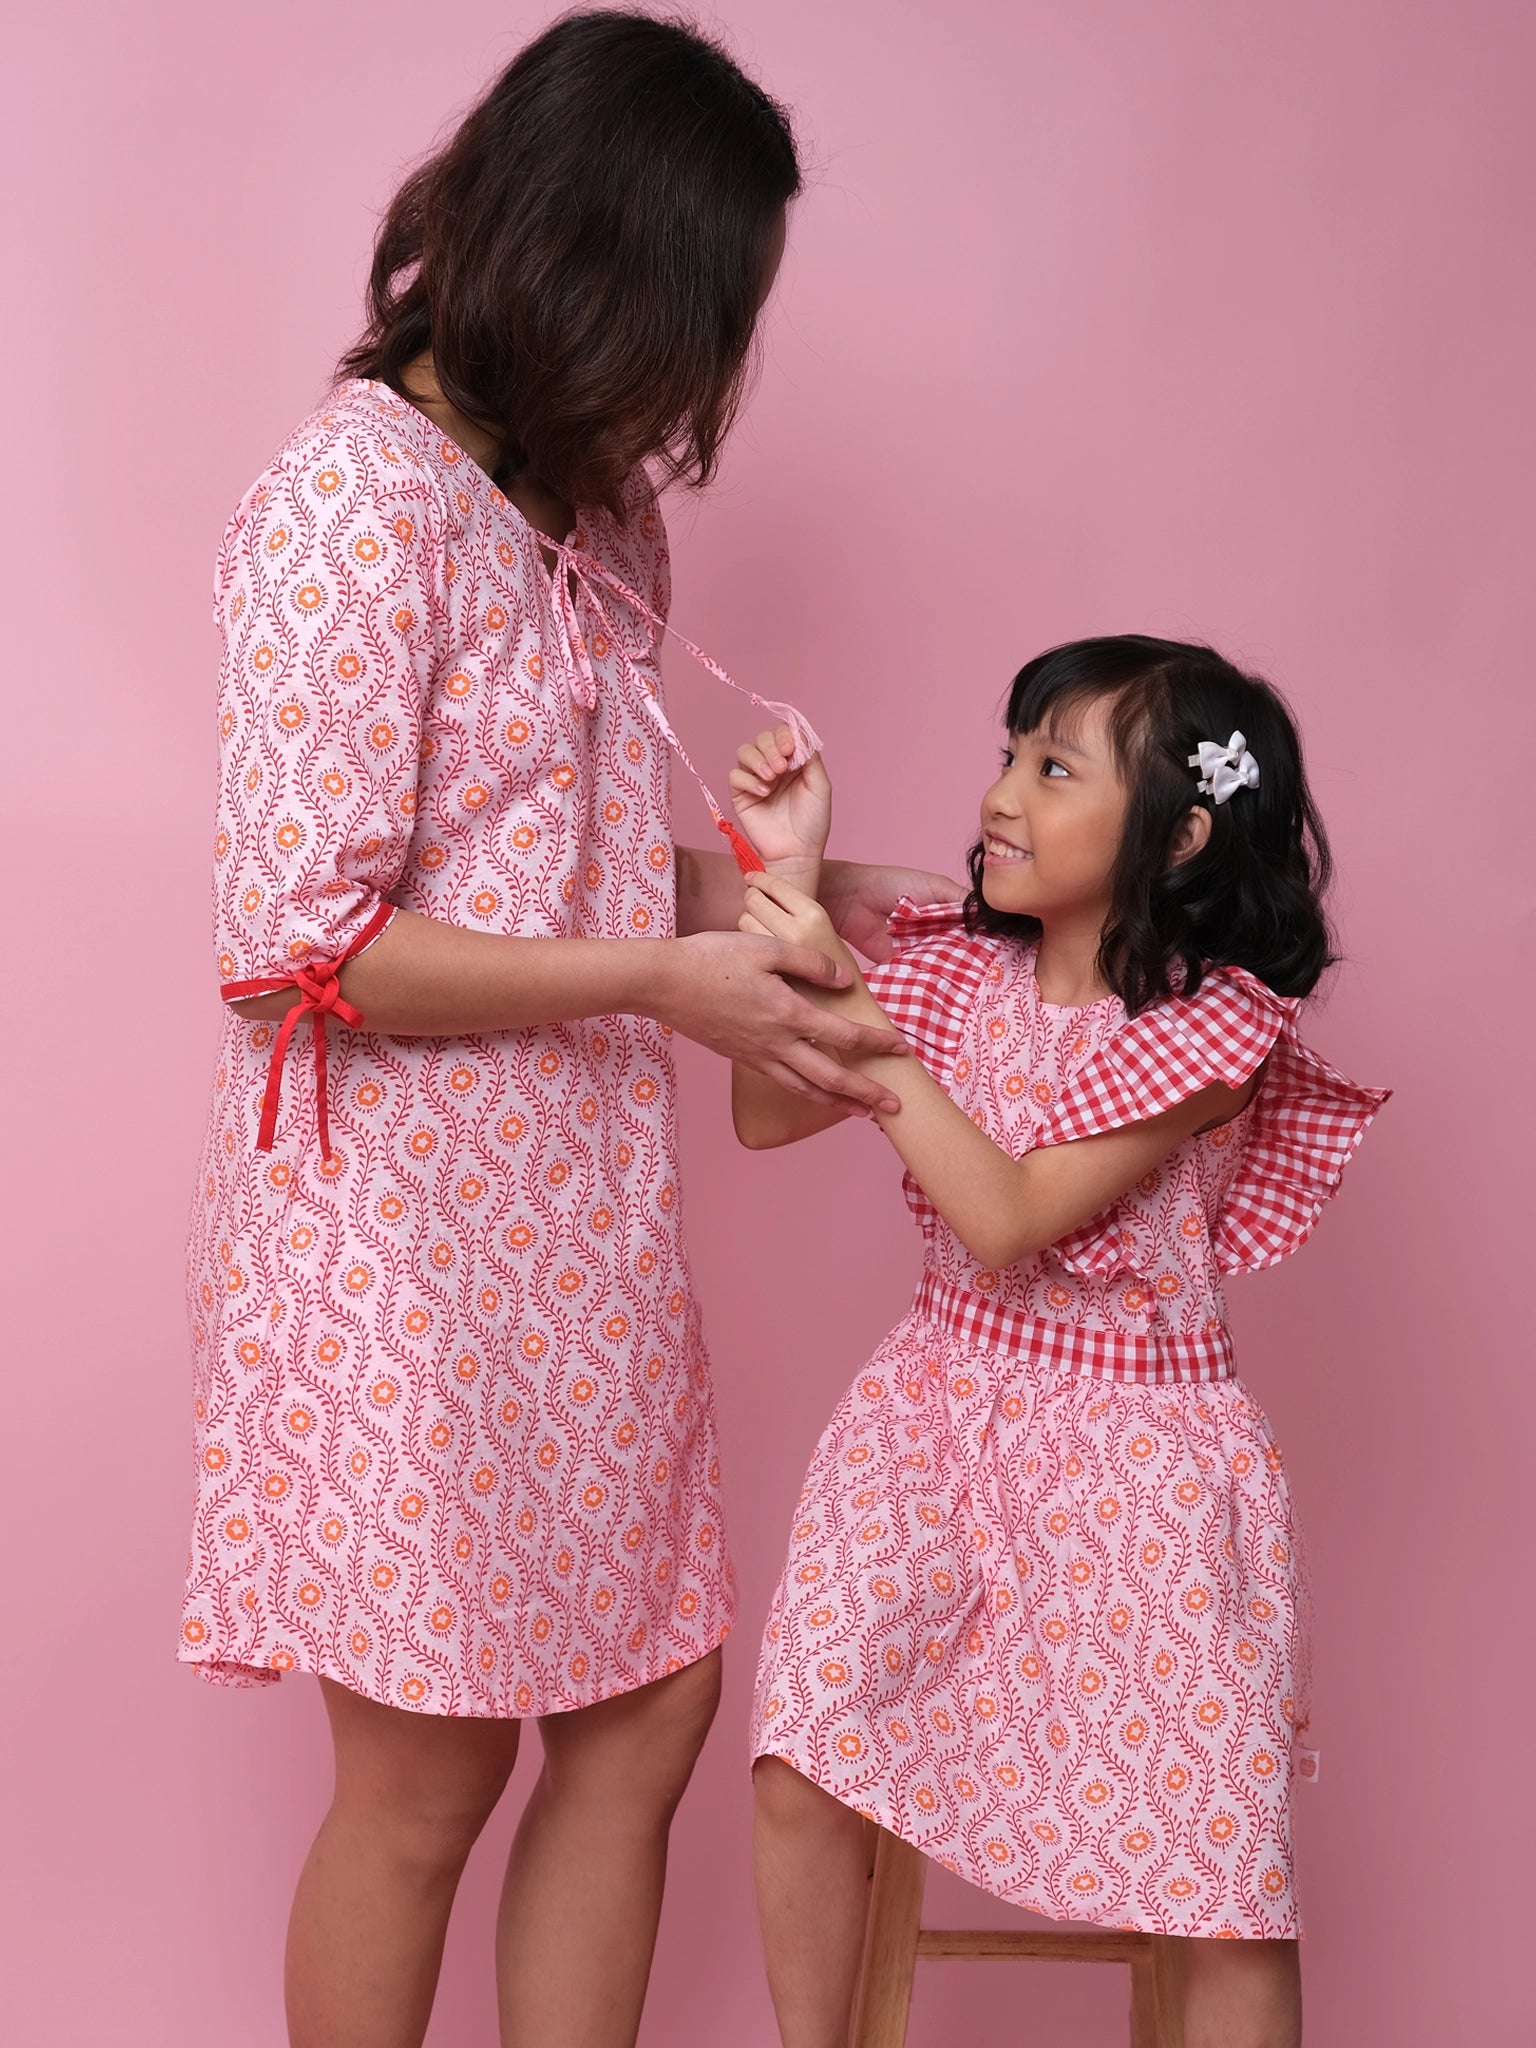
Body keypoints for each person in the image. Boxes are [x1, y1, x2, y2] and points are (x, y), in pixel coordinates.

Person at [179, 17, 957, 2047]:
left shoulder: (601, 528)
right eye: (713, 307)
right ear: (604, 261)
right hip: (401, 1242)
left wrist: (818, 896)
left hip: (578, 1219)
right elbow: (295, 948)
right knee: (428, 1770)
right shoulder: (356, 503)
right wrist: (657, 977)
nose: (715, 369)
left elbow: (585, 884)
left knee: (646, 1706)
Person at [728, 636, 1388, 2048]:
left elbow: (1010, 1217)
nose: (1001, 795)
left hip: (1144, 1470)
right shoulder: (960, 974)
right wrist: (788, 886)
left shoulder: (1215, 1027)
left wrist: (869, 1024)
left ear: (1181, 830)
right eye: (1007, 753)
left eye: (1053, 765)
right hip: (932, 1416)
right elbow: (766, 1112)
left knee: (1221, 1882)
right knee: (800, 1761)